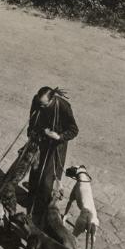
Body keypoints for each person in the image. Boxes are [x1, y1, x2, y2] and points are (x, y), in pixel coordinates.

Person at [26, 86, 78, 223]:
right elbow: (32, 117)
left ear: (52, 99)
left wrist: (59, 136)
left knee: (47, 180)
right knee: (35, 172)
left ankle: (43, 210)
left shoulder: (63, 106)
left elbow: (73, 130)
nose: (41, 106)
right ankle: (31, 200)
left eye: (44, 104)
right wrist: (31, 132)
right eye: (40, 103)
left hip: (55, 146)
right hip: (40, 141)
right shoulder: (37, 101)